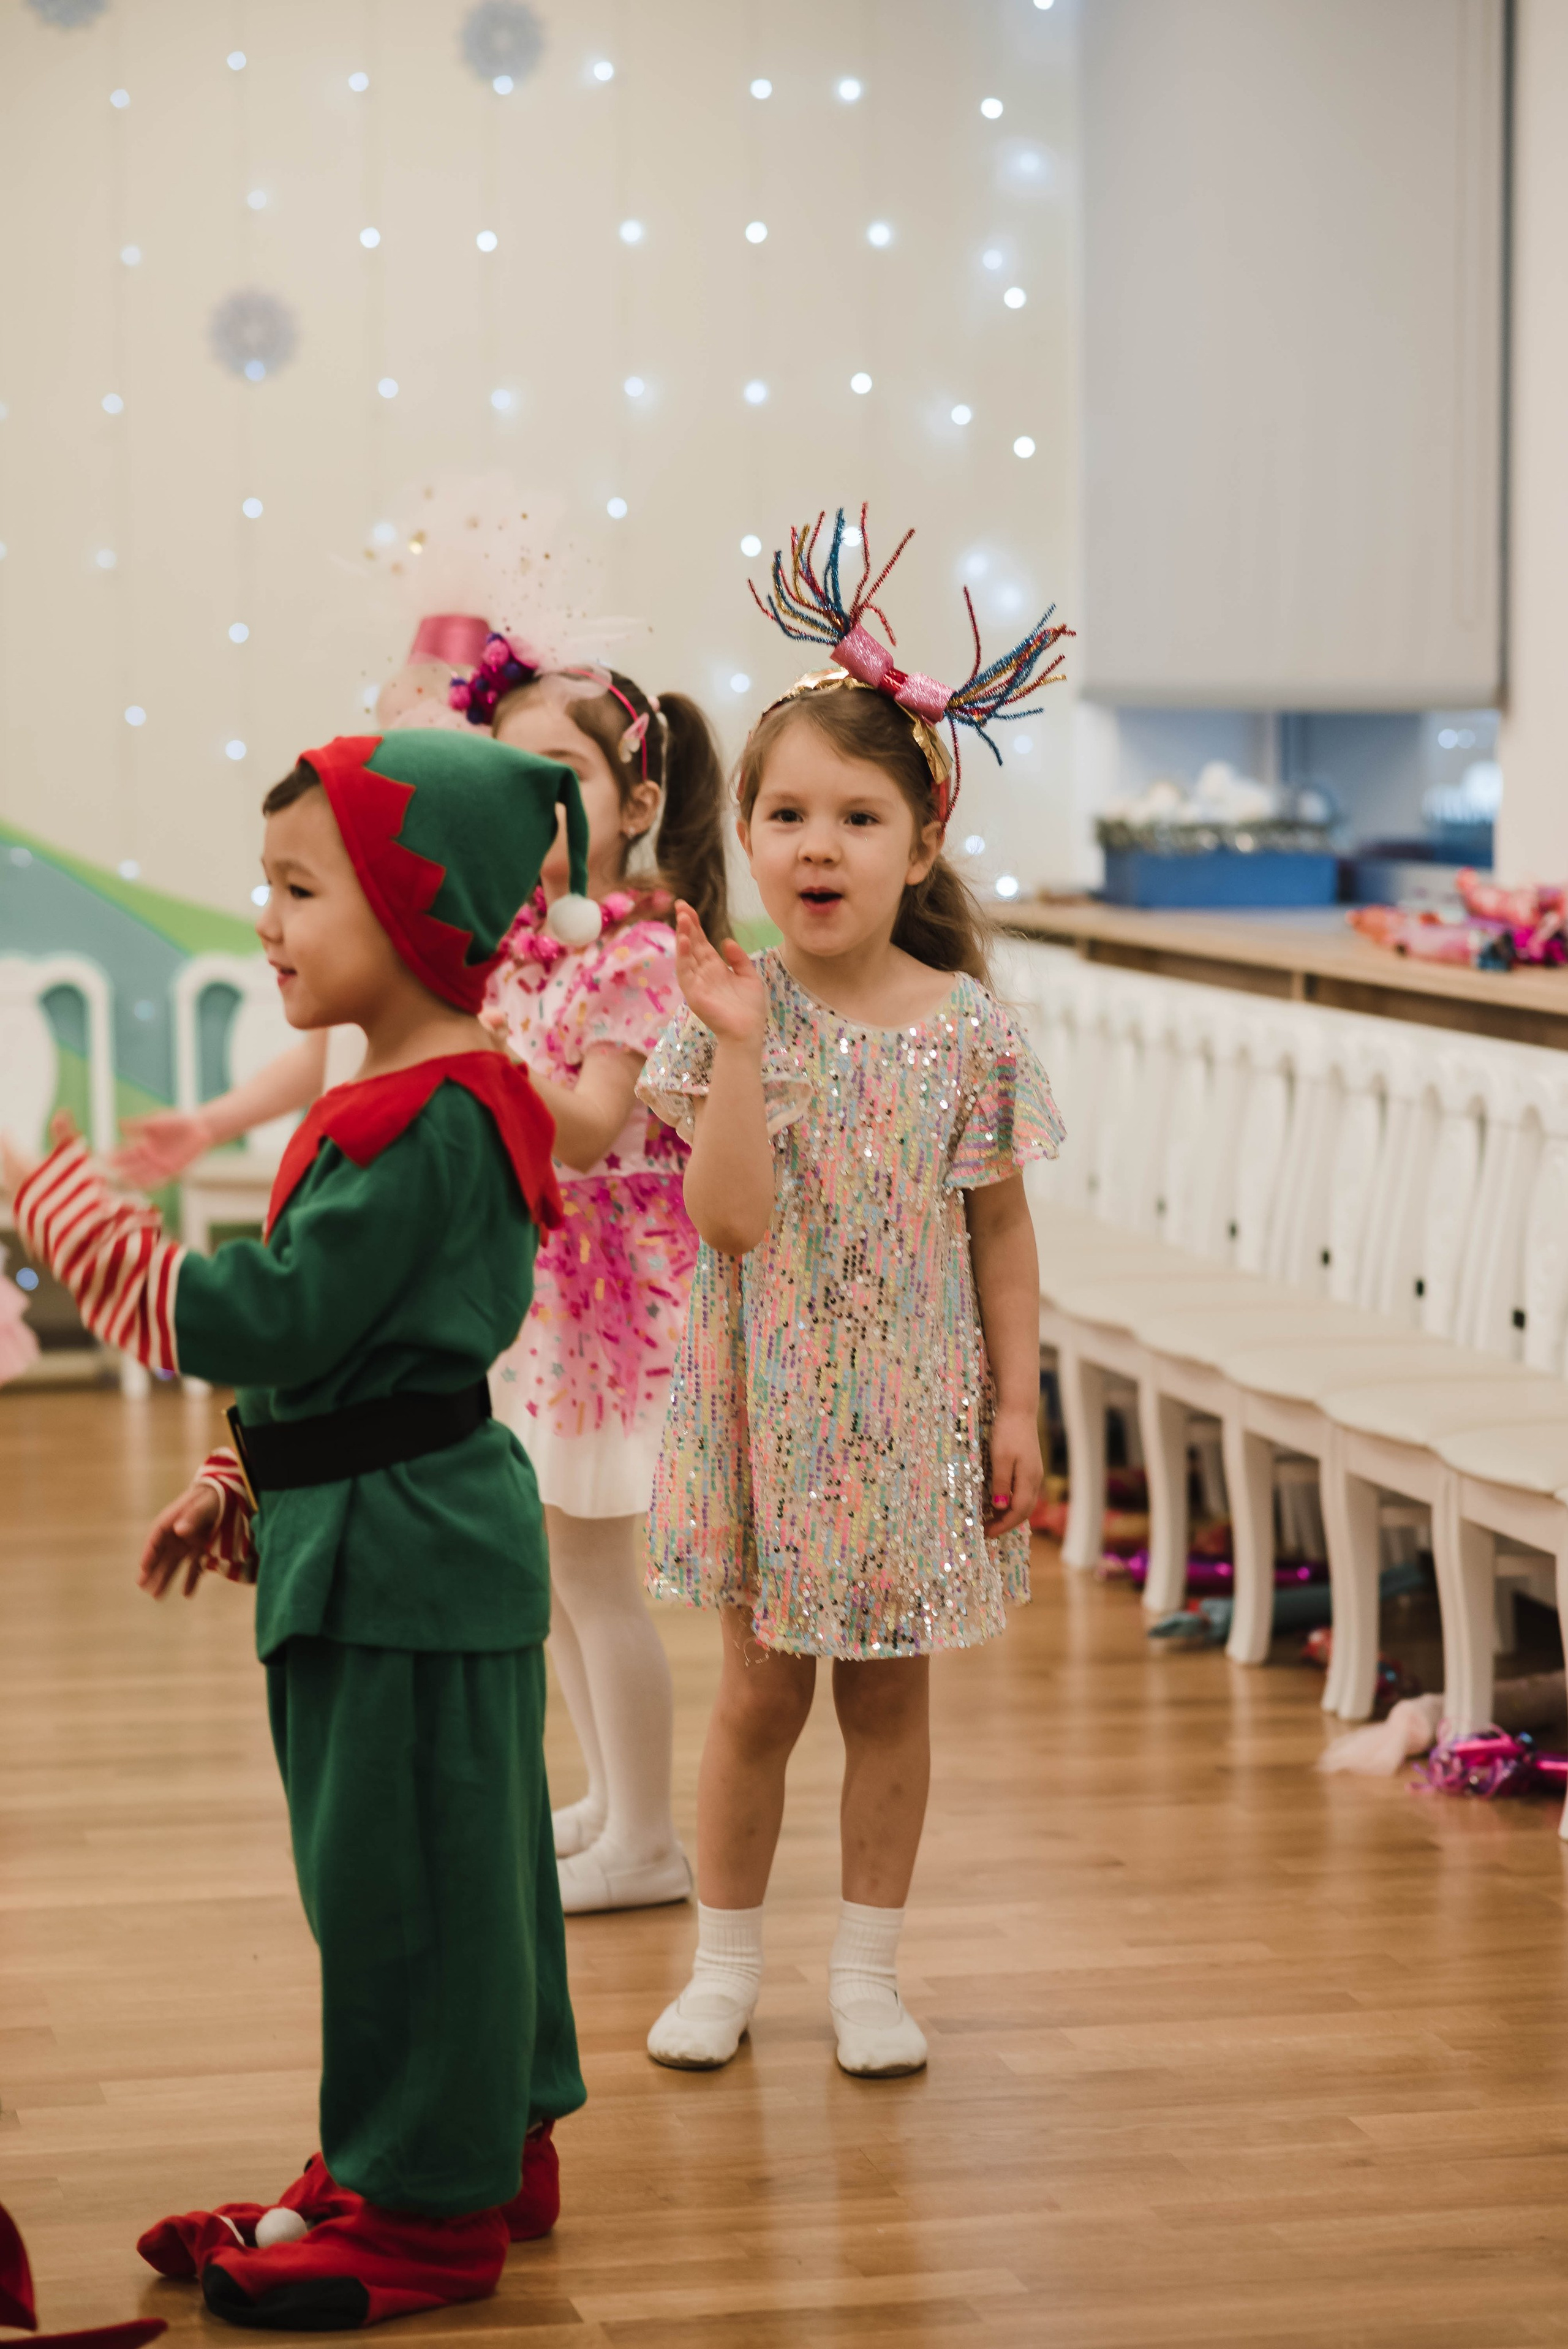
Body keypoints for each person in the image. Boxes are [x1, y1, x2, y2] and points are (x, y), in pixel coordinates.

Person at [2, 728, 600, 2329]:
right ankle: (477, 2135)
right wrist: (245, 1477)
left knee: (399, 1877)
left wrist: (44, 1194)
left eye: (297, 886)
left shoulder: (423, 1123)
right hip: (406, 1533)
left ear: (417, 912)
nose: (264, 919)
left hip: (402, 1560)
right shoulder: (413, 1097)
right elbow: (359, 1354)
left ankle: (421, 2207)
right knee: (463, 1864)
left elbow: (252, 1312)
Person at [638, 509, 1069, 2079]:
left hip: (908, 1424)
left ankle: (869, 1972)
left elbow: (1002, 1237)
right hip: (768, 1412)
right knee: (757, 1698)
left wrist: (1016, 1404)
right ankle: (725, 1961)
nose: (818, 844)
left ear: (922, 841)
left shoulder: (968, 1031)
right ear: (746, 836)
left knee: (887, 1704)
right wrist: (742, 1049)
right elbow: (728, 1222)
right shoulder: (728, 1013)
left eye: (858, 816)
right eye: (789, 814)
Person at [469, 649, 729, 1914]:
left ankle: (648, 1841)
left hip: (618, 1298)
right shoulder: (533, 953)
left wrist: (467, 1047)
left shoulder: (636, 953)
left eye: (560, 772)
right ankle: (609, 1801)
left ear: (634, 800)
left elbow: (582, 1126)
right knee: (555, 1570)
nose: (535, 803)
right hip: (548, 1296)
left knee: (593, 1574)